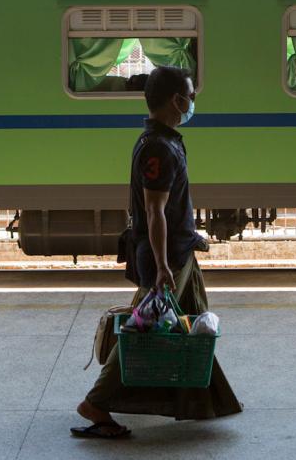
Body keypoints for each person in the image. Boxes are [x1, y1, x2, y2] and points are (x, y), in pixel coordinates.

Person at [72, 66, 242, 439]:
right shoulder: (158, 149)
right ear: (173, 100)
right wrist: (163, 265)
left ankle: (202, 400)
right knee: (143, 330)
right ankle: (97, 401)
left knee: (194, 319)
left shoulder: (163, 141)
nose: (193, 101)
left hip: (179, 248)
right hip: (168, 255)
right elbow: (154, 210)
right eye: (189, 95)